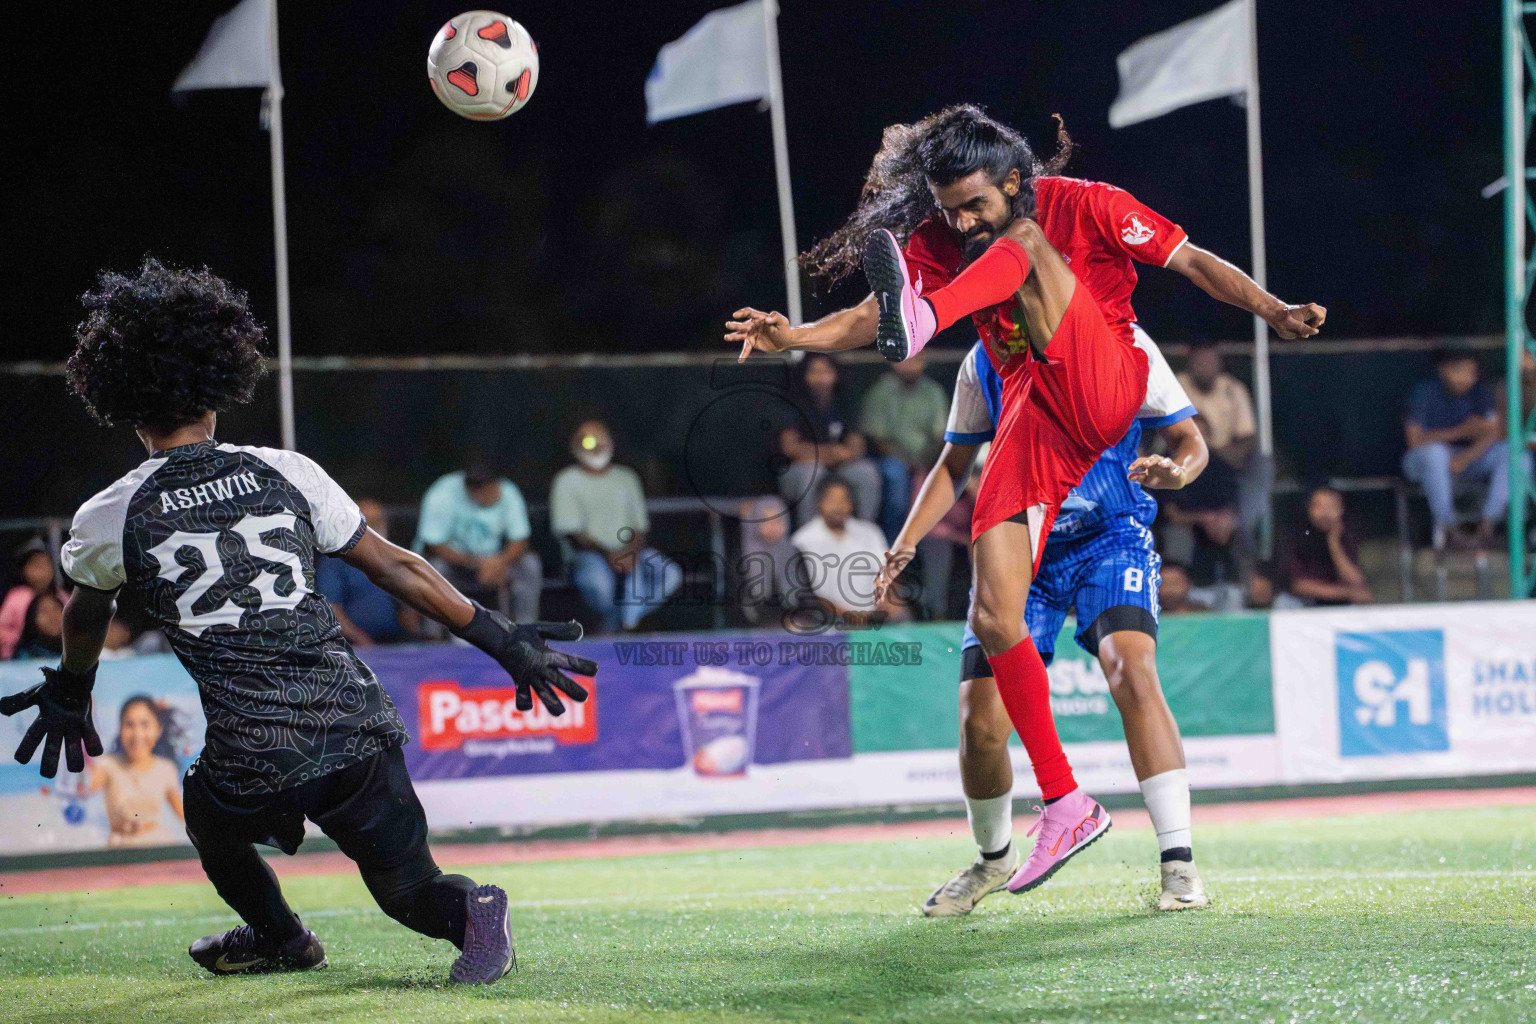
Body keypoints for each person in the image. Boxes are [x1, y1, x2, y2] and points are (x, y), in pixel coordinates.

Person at [727, 104, 1324, 894]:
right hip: (1032, 415)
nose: (962, 221)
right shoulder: (948, 252)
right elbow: (872, 320)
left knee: (1025, 244)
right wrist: (792, 337)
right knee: (991, 616)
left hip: (1106, 378)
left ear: (1015, 178)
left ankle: (1178, 857)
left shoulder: (1082, 206)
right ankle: (1064, 799)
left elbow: (1192, 261)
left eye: (975, 203)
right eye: (948, 211)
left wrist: (1272, 310)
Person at [0, 259, 596, 984]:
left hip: (252, 755)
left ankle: (282, 937)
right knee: (410, 894)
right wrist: (504, 639)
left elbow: (88, 605)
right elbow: (396, 566)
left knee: (206, 812)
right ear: (219, 388)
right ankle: (472, 911)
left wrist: (72, 686)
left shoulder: (109, 513)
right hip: (355, 726)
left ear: (124, 403)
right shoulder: (287, 470)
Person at [879, 333, 1213, 915]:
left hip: (1111, 536)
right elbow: (954, 463)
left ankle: (1179, 864)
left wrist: (1178, 473)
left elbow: (1191, 441)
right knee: (980, 723)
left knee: (1130, 667)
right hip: (1018, 546)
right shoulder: (981, 359)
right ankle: (993, 858)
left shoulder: (1123, 342)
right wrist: (906, 539)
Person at [551, 419, 682, 633]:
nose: (598, 445)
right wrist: (610, 555)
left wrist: (629, 552)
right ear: (576, 446)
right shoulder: (566, 480)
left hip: (630, 552)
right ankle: (624, 627)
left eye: (602, 439)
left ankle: (622, 623)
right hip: (589, 556)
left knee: (671, 574)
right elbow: (573, 534)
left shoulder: (626, 477)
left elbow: (640, 526)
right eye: (590, 440)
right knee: (601, 587)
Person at [1401, 350, 1506, 551]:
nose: (1466, 379)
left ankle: (1488, 524)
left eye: (1471, 372)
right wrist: (1462, 430)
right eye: (1459, 371)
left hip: (1466, 460)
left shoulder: (1480, 392)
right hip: (1421, 462)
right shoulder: (1425, 392)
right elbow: (1414, 441)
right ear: (1443, 369)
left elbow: (1494, 433)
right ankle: (1449, 527)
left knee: (1513, 452)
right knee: (1435, 454)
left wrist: (1466, 457)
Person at [1177, 340, 1272, 562]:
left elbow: (1247, 437)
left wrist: (1221, 454)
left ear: (1219, 364)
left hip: (1225, 459)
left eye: (1210, 361)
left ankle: (1240, 522)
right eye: (1200, 362)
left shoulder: (1232, 388)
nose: (1205, 366)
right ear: (1189, 364)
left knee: (1262, 462)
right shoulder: (1175, 386)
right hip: (1183, 458)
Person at [415, 462, 543, 622]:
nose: (494, 494)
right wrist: (475, 563)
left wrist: (500, 562)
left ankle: (526, 628)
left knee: (529, 564)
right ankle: (433, 637)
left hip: (496, 563)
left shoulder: (507, 491)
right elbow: (434, 545)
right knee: (435, 568)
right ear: (472, 490)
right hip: (457, 563)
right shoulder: (443, 492)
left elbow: (520, 539)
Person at [777, 354, 883, 527]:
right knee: (813, 472)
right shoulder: (793, 401)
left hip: (837, 467)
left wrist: (841, 454)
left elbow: (857, 446)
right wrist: (829, 454)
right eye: (814, 372)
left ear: (835, 374)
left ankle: (865, 535)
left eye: (825, 371)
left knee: (867, 472)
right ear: (804, 375)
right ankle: (810, 542)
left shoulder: (844, 400)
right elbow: (790, 449)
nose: (820, 378)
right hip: (797, 472)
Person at [860, 349, 949, 540]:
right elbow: (878, 440)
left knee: (947, 480)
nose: (911, 365)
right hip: (893, 458)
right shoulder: (881, 391)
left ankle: (925, 551)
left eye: (917, 359)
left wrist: (925, 462)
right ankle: (894, 545)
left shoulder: (933, 391)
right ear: (894, 361)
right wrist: (909, 461)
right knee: (896, 478)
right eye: (906, 360)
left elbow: (941, 435)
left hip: (928, 457)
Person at [790, 477, 897, 627]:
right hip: (827, 621)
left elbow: (888, 572)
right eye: (832, 500)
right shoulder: (802, 540)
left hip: (876, 619)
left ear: (851, 504)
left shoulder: (870, 532)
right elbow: (807, 595)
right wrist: (850, 616)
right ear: (819, 503)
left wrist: (889, 604)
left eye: (844, 500)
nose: (838, 506)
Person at [86, 694, 186, 848]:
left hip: (160, 847)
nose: (137, 734)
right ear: (120, 728)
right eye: (129, 725)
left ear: (158, 730)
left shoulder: (166, 769)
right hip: (119, 851)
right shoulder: (108, 765)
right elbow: (81, 791)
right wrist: (82, 725)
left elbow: (186, 816)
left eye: (145, 725)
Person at [318, 499, 411, 645]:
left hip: (396, 642)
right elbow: (331, 610)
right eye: (368, 523)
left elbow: (408, 603)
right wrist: (361, 640)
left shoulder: (393, 556)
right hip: (354, 644)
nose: (374, 528)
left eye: (379, 522)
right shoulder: (336, 560)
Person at [1280, 486, 1374, 605]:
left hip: (1342, 604)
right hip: (1308, 601)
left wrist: (1334, 543)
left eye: (1330, 507)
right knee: (1285, 602)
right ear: (1309, 508)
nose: (1325, 513)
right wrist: (1346, 593)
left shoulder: (1348, 532)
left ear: (1341, 509)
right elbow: (1298, 585)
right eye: (1319, 506)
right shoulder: (1298, 533)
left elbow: (1356, 582)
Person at [1, 543, 60, 659]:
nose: (42, 570)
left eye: (46, 565)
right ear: (24, 570)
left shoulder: (61, 596)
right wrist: (21, 639)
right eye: (36, 566)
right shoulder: (16, 597)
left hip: (57, 652)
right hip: (20, 656)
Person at [14, 590, 65, 660]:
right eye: (44, 611)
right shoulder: (24, 657)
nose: (52, 616)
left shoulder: (76, 650)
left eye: (56, 609)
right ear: (32, 619)